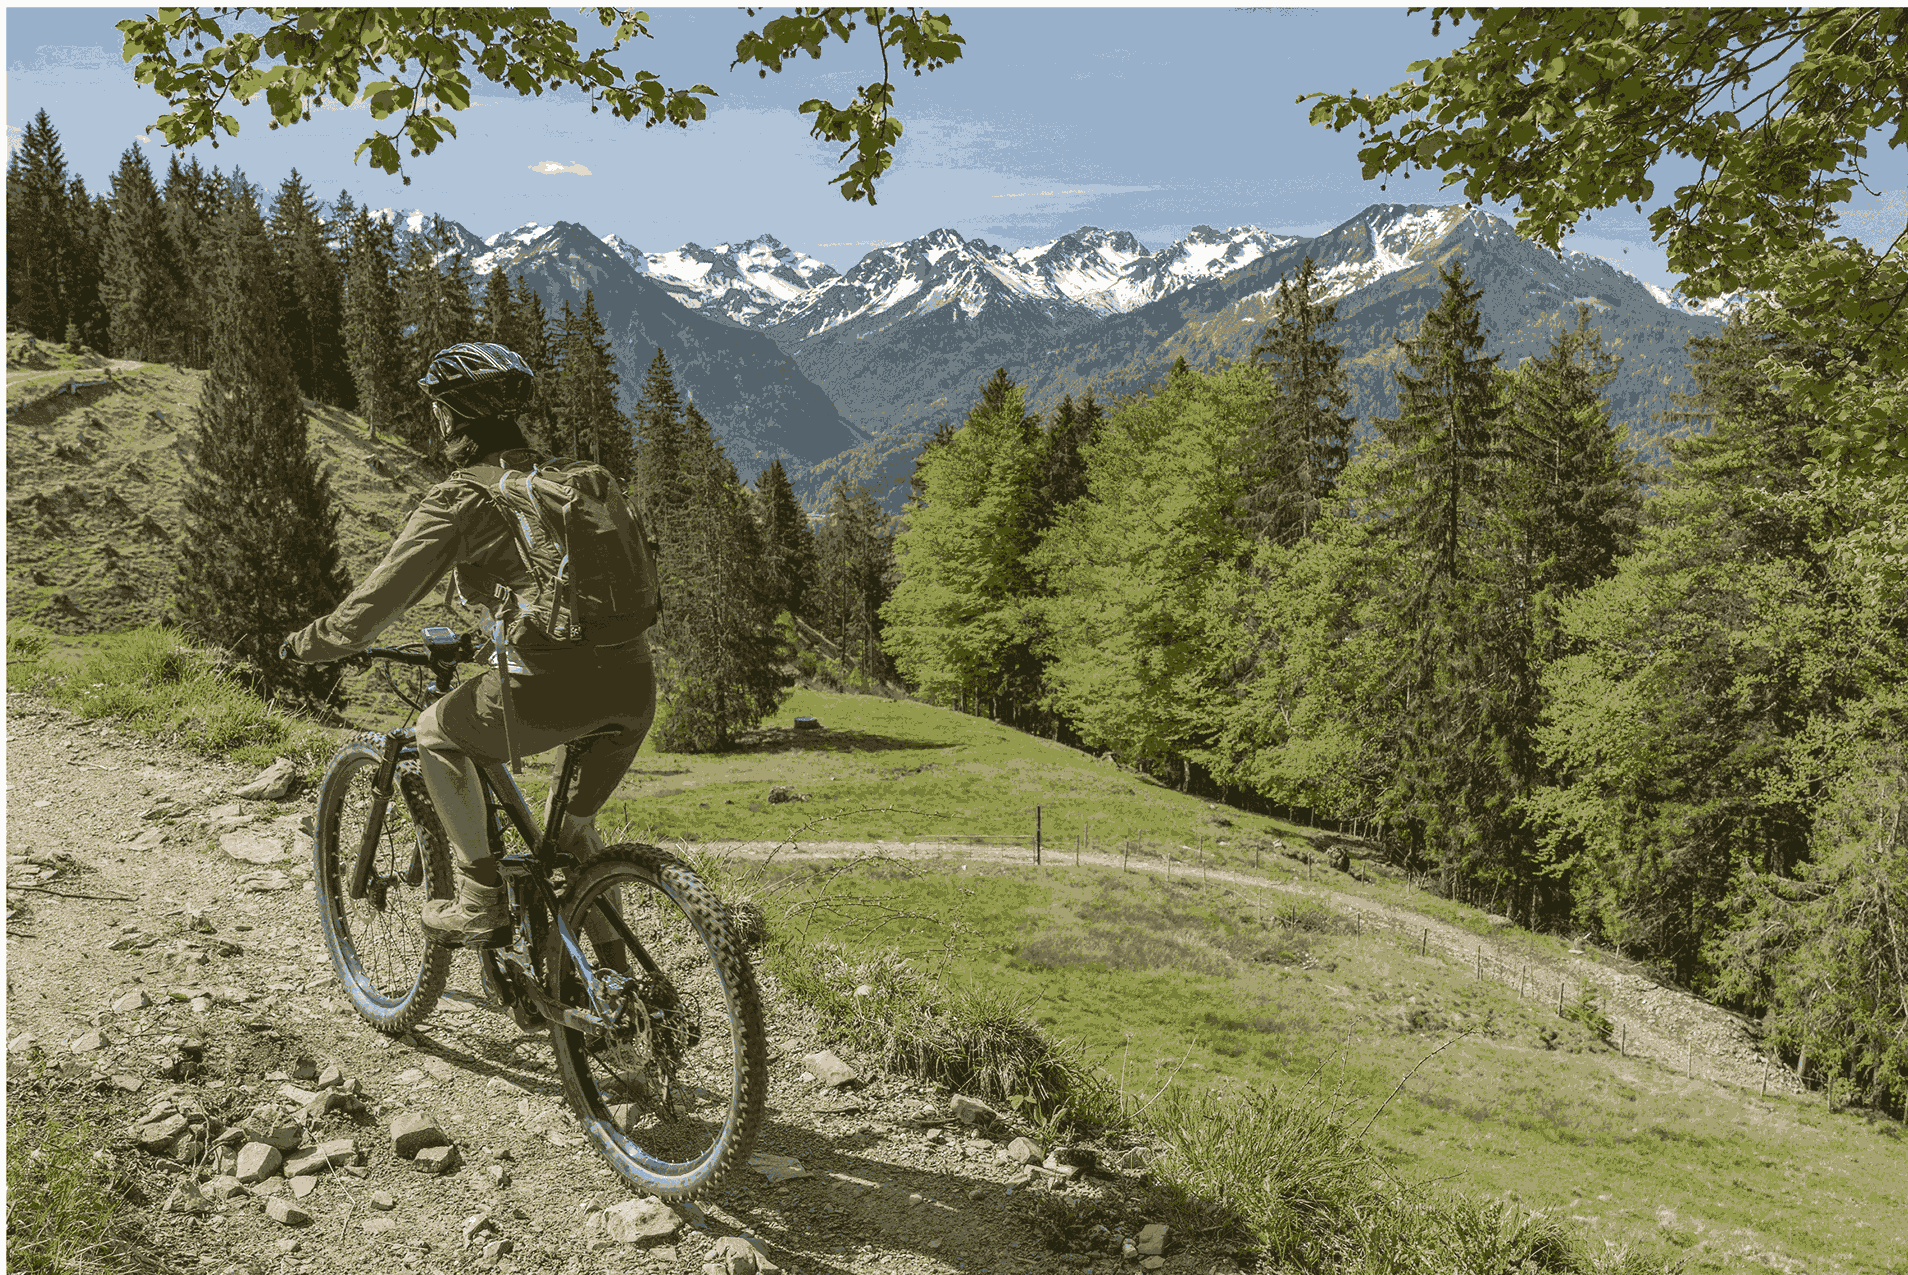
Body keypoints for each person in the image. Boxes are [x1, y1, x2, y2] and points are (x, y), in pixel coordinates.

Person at [283, 342, 655, 951]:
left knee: (435, 732)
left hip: (550, 687)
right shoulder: (576, 481)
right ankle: (616, 978)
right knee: (574, 838)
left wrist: (308, 644)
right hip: (634, 681)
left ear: (448, 416)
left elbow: (375, 605)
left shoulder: (462, 497)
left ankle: (480, 900)